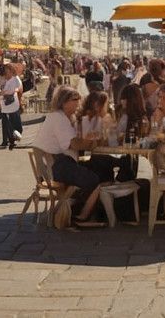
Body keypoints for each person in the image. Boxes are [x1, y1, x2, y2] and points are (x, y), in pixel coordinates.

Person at [36, 86, 108, 227]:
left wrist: (88, 141)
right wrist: (88, 141)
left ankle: (89, 212)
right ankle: (80, 216)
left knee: (100, 166)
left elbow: (79, 143)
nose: (78, 102)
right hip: (56, 166)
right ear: (64, 101)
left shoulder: (69, 118)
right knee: (92, 179)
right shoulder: (58, 118)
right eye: (75, 99)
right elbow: (73, 144)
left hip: (60, 163)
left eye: (79, 99)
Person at [0, 63, 23, 150]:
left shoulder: (16, 79)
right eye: (5, 71)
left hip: (13, 103)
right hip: (6, 103)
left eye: (7, 71)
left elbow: (19, 89)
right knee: (6, 122)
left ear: (11, 71)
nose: (6, 73)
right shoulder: (7, 79)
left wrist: (13, 92)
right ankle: (6, 140)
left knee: (14, 123)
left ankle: (13, 139)